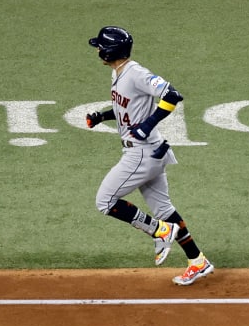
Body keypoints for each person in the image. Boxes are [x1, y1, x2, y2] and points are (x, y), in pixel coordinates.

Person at [84, 25, 214, 286]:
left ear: (110, 51)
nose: (97, 49)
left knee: (105, 201)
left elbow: (172, 95)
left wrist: (148, 124)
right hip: (152, 152)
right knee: (165, 209)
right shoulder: (119, 73)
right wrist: (102, 116)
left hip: (141, 155)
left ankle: (160, 231)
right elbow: (130, 108)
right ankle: (197, 260)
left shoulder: (136, 73)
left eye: (100, 46)